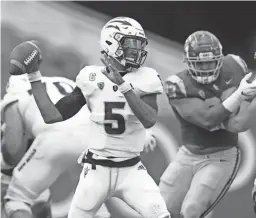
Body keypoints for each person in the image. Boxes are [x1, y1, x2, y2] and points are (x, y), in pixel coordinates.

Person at [8, 16, 170, 218]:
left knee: (160, 214)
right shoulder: (89, 77)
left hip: (130, 168)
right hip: (97, 168)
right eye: (130, 44)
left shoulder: (147, 77)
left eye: (138, 45)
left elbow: (149, 119)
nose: (136, 51)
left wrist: (123, 86)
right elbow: (52, 116)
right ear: (111, 44)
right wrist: (34, 76)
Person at [158, 30, 256, 218]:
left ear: (219, 58)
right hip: (187, 155)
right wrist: (239, 95)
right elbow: (206, 119)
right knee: (158, 210)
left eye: (210, 62)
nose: (206, 68)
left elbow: (237, 125)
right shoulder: (177, 84)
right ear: (187, 62)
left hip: (222, 155)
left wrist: (246, 101)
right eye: (200, 63)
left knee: (192, 210)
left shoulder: (234, 65)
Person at [2, 75, 111, 218]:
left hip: (54, 138)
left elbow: (12, 153)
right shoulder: (65, 83)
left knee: (18, 200)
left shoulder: (17, 92)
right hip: (96, 139)